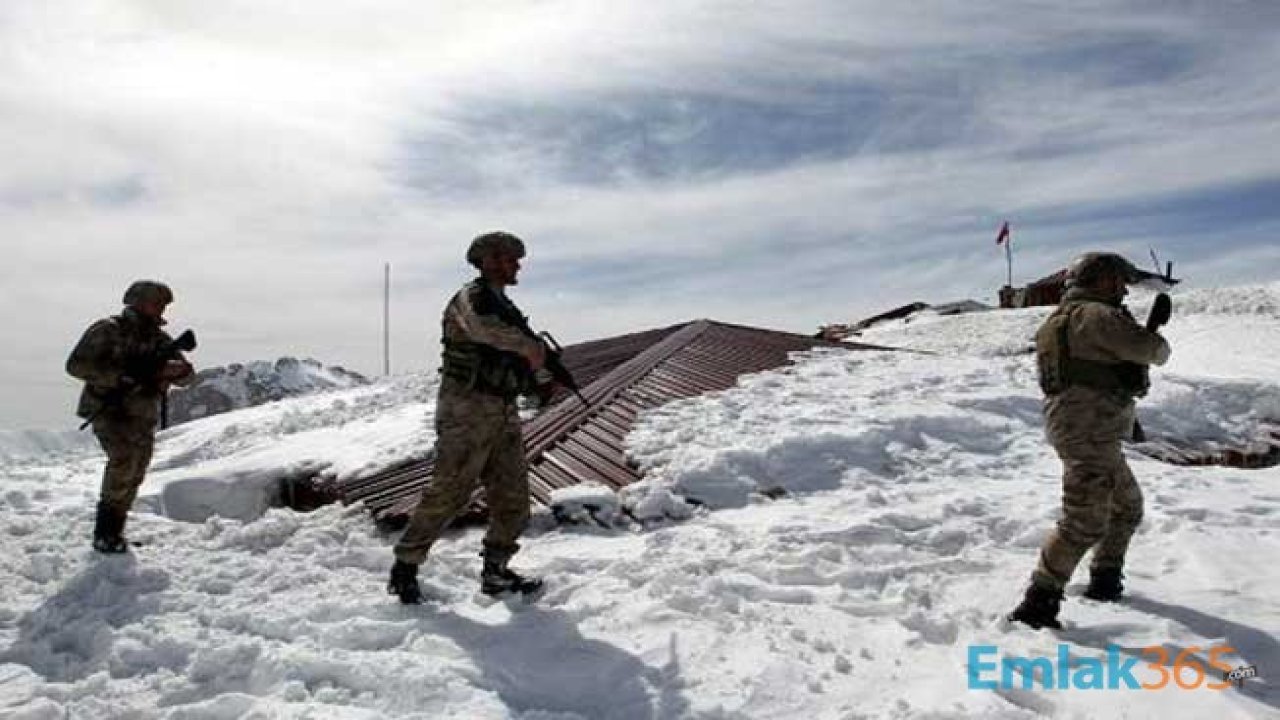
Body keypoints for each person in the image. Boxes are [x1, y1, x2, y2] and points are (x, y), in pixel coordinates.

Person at [1008, 252, 1172, 629]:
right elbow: (1153, 351)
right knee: (1084, 520)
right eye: (1119, 283)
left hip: (1089, 429)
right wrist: (1150, 339)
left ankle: (1105, 578)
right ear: (1103, 281)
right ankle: (1038, 602)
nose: (1123, 292)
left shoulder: (1063, 318)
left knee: (1127, 507)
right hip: (1089, 431)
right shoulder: (1096, 315)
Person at [387, 231, 551, 603]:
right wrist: (530, 347)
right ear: (490, 260)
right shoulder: (469, 299)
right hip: (467, 410)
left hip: (503, 411)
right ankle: (405, 568)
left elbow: (522, 358)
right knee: (449, 491)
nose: (518, 265)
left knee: (513, 499)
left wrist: (540, 376)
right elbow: (481, 330)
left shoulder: (504, 306)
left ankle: (496, 572)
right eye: (511, 258)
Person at [66, 280, 195, 553]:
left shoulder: (160, 340)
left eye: (163, 304)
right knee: (123, 461)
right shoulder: (109, 330)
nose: (160, 308)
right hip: (110, 409)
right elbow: (76, 365)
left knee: (137, 470)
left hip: (141, 415)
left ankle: (115, 532)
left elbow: (187, 376)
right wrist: (119, 375)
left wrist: (176, 371)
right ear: (136, 301)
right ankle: (105, 534)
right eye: (155, 301)